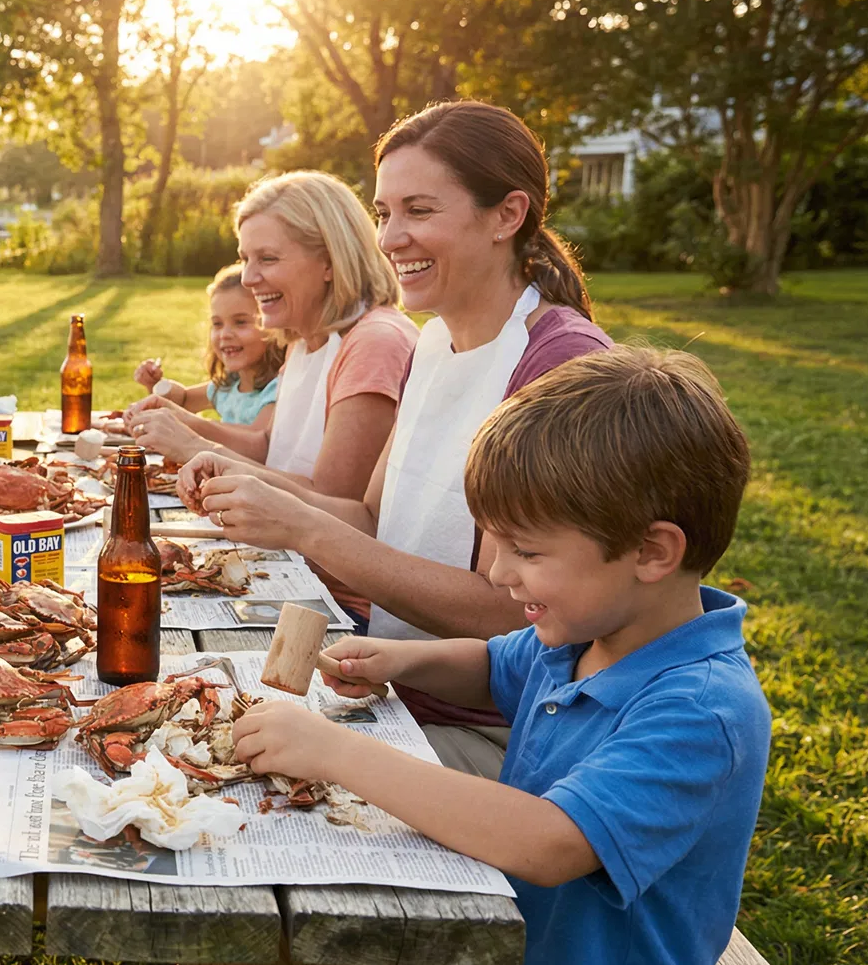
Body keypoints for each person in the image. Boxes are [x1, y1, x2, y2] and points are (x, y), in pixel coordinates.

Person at [231, 347, 767, 965]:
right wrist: (401, 662)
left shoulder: (702, 710)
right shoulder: (583, 633)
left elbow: (547, 842)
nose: (499, 573)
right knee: (273, 953)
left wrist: (332, 750)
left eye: (528, 551)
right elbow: (492, 667)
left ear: (653, 552)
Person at [182, 101, 613, 775]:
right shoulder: (433, 341)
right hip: (388, 685)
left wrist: (304, 527)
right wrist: (249, 483)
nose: (389, 238)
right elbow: (371, 516)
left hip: (499, 732)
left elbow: (509, 610)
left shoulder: (556, 367)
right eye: (384, 214)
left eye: (419, 210)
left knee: (225, 775)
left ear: (508, 215)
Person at [126, 171, 414, 514]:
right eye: (245, 258)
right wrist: (180, 420)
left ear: (328, 261)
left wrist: (193, 445)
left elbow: (334, 504)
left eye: (267, 258)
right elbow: (269, 446)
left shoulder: (374, 343)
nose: (248, 279)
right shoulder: (303, 340)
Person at [126, 264, 287, 457]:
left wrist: (191, 425)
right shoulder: (229, 385)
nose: (225, 334)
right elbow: (184, 400)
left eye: (241, 322)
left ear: (273, 325)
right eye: (217, 324)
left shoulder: (275, 389)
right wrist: (157, 385)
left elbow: (258, 441)